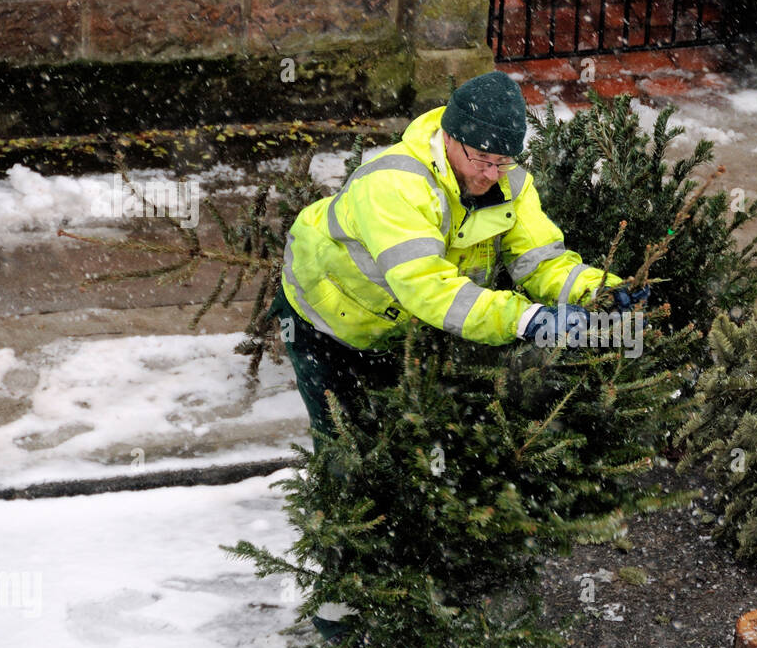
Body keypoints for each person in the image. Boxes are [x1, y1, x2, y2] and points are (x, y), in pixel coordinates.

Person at [273, 70, 648, 439]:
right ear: (448, 137)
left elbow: (541, 261)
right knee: (345, 444)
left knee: (406, 437)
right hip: (323, 316)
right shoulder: (394, 185)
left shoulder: (511, 183)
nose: (491, 174)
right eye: (481, 157)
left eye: (503, 160)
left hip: (403, 326)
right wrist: (526, 319)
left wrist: (599, 291)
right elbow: (428, 288)